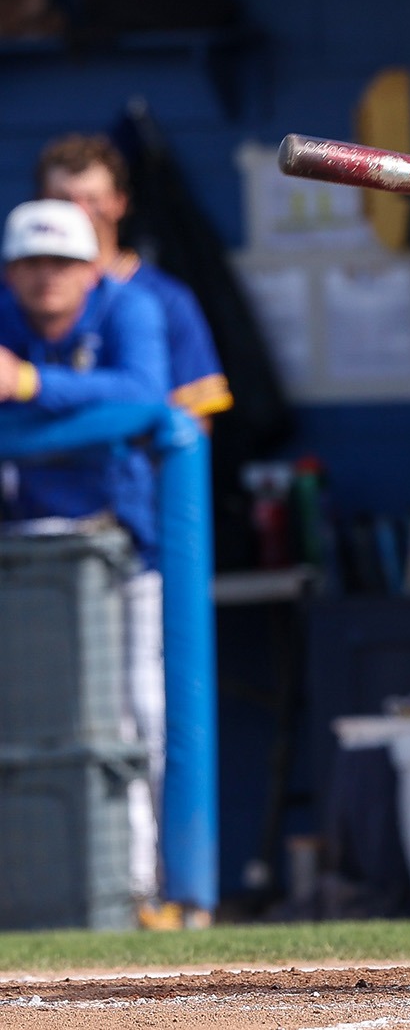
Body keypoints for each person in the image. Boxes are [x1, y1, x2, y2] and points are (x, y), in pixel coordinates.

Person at [0, 198, 179, 926]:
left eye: (63, 264)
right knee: (25, 727)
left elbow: (142, 398)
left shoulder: (129, 308)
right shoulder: (7, 314)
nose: (48, 279)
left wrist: (33, 388)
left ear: (90, 268)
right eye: (32, 265)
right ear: (11, 272)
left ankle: (146, 889)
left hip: (119, 550)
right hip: (20, 556)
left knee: (140, 720)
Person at [36, 133, 231, 429]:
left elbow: (195, 420)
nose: (79, 212)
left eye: (92, 199)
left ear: (119, 203)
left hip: (128, 467)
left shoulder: (164, 298)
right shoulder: (14, 296)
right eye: (63, 200)